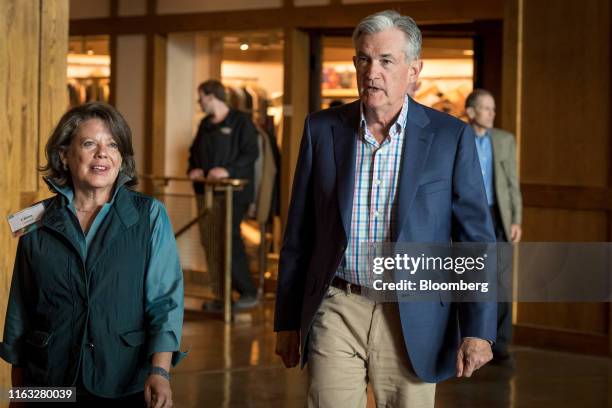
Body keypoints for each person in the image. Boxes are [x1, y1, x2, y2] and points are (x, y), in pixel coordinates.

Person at [274, 10, 497, 407]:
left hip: (413, 314)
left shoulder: (451, 137)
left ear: (414, 70)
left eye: (386, 61)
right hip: (337, 307)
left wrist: (479, 328)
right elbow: (299, 233)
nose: (370, 71)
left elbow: (474, 241)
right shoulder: (321, 130)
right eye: (363, 59)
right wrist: (288, 321)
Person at [0, 102, 186, 407]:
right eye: (89, 143)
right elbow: (21, 311)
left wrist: (160, 371)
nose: (103, 153)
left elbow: (165, 300)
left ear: (121, 156)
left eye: (112, 144)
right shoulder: (36, 220)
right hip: (49, 381)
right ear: (64, 155)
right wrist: (20, 394)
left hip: (123, 382)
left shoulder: (149, 215)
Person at [188, 80, 259, 310]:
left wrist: (228, 171)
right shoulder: (204, 125)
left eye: (201, 97)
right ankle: (221, 296)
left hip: (234, 193)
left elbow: (251, 154)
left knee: (230, 240)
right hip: (206, 194)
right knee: (210, 242)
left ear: (211, 97)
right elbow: (193, 153)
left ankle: (248, 291)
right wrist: (193, 169)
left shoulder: (241, 122)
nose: (199, 102)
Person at [466, 88, 523, 364]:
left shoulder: (504, 140)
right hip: (466, 216)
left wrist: (516, 220)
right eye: (486, 108)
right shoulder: (458, 136)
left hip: (497, 215)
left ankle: (499, 345)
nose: (492, 114)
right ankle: (464, 339)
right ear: (471, 112)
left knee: (500, 281)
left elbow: (513, 183)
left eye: (493, 109)